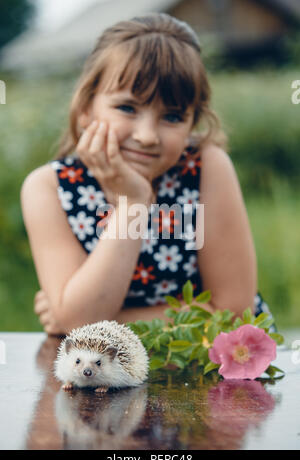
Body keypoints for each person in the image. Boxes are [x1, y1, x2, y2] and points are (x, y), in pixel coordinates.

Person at [21, 13, 276, 336]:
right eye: (127, 108)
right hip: (100, 375)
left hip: (206, 365)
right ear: (86, 107)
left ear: (192, 123)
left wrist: (101, 322)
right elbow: (80, 321)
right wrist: (132, 203)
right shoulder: (49, 188)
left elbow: (232, 314)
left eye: (171, 116)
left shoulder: (206, 168)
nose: (147, 135)